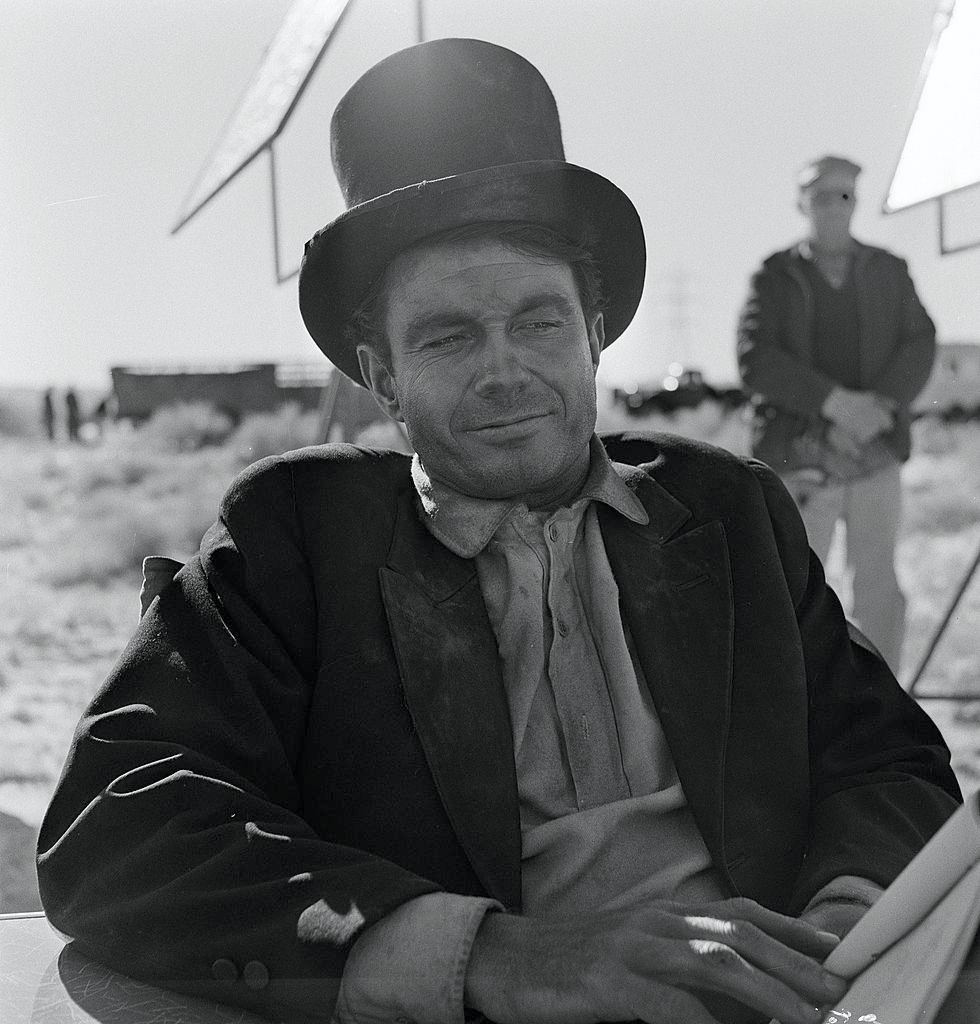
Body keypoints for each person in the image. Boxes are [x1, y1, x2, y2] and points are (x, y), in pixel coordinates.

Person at [37, 42, 959, 1024]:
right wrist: (489, 956)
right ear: (378, 370)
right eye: (444, 337)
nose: (503, 370)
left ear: (595, 328)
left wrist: (844, 928)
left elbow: (886, 761)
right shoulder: (295, 536)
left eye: (538, 322)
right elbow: (120, 824)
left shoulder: (725, 510)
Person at [737, 155, 937, 671]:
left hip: (875, 453)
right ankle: (806, 719)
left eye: (843, 195)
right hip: (805, 457)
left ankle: (886, 725)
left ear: (856, 203)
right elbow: (755, 358)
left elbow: (920, 342)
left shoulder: (888, 271)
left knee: (879, 593)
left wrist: (879, 410)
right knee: (800, 592)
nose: (833, 207)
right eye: (821, 196)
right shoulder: (776, 276)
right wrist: (834, 406)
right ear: (802, 203)